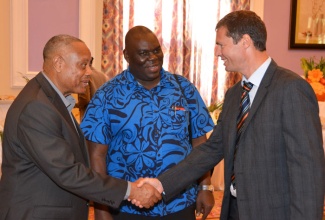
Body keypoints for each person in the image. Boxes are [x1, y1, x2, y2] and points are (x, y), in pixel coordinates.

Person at [138, 10, 325, 220]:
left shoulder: (291, 88)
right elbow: (211, 150)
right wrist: (161, 183)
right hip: (234, 211)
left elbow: (308, 174)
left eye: (221, 44)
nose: (217, 52)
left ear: (245, 42)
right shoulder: (235, 94)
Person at [0, 34, 161, 220]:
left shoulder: (52, 100)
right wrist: (129, 190)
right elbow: (68, 172)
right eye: (83, 65)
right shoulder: (37, 107)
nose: (89, 72)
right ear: (59, 64)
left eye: (89, 65)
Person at [80, 25, 215, 220]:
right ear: (127, 55)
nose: (153, 57)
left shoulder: (184, 88)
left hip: (180, 202)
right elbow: (97, 157)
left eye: (156, 50)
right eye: (143, 53)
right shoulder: (106, 96)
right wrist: (102, 209)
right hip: (127, 207)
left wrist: (205, 187)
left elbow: (200, 144)